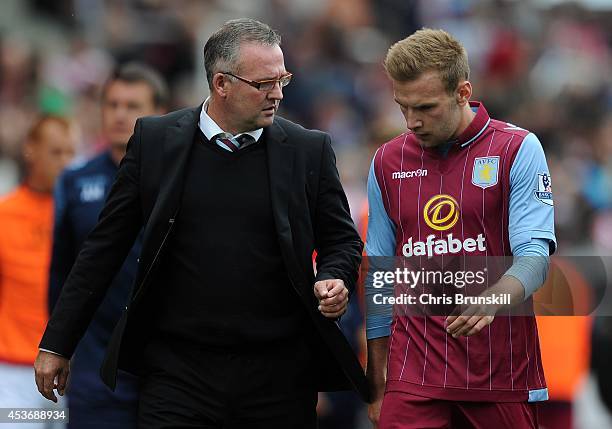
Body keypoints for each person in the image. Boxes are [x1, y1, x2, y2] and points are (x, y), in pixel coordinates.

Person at [35, 18, 368, 428]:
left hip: (278, 376)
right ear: (221, 83)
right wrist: (57, 343)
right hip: (178, 375)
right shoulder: (156, 142)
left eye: (282, 79)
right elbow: (103, 248)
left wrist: (335, 276)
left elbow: (341, 240)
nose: (277, 94)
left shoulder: (308, 149)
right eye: (263, 83)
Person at [365, 29, 556, 428]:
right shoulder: (387, 161)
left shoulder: (517, 149)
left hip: (498, 373)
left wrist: (493, 298)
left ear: (463, 91)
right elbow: (380, 273)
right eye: (403, 107)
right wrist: (377, 381)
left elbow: (535, 258)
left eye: (426, 107)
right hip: (412, 377)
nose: (412, 121)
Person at [48, 63, 168, 428]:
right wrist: (59, 344)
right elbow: (62, 272)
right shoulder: (75, 181)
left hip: (167, 365)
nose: (119, 115)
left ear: (160, 113)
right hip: (95, 365)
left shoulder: (180, 179)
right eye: (111, 104)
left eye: (132, 106)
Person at [0, 115, 77, 425]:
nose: (66, 163)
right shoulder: (5, 215)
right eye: (56, 152)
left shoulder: (83, 215)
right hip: (15, 372)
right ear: (31, 149)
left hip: (69, 372)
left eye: (71, 153)